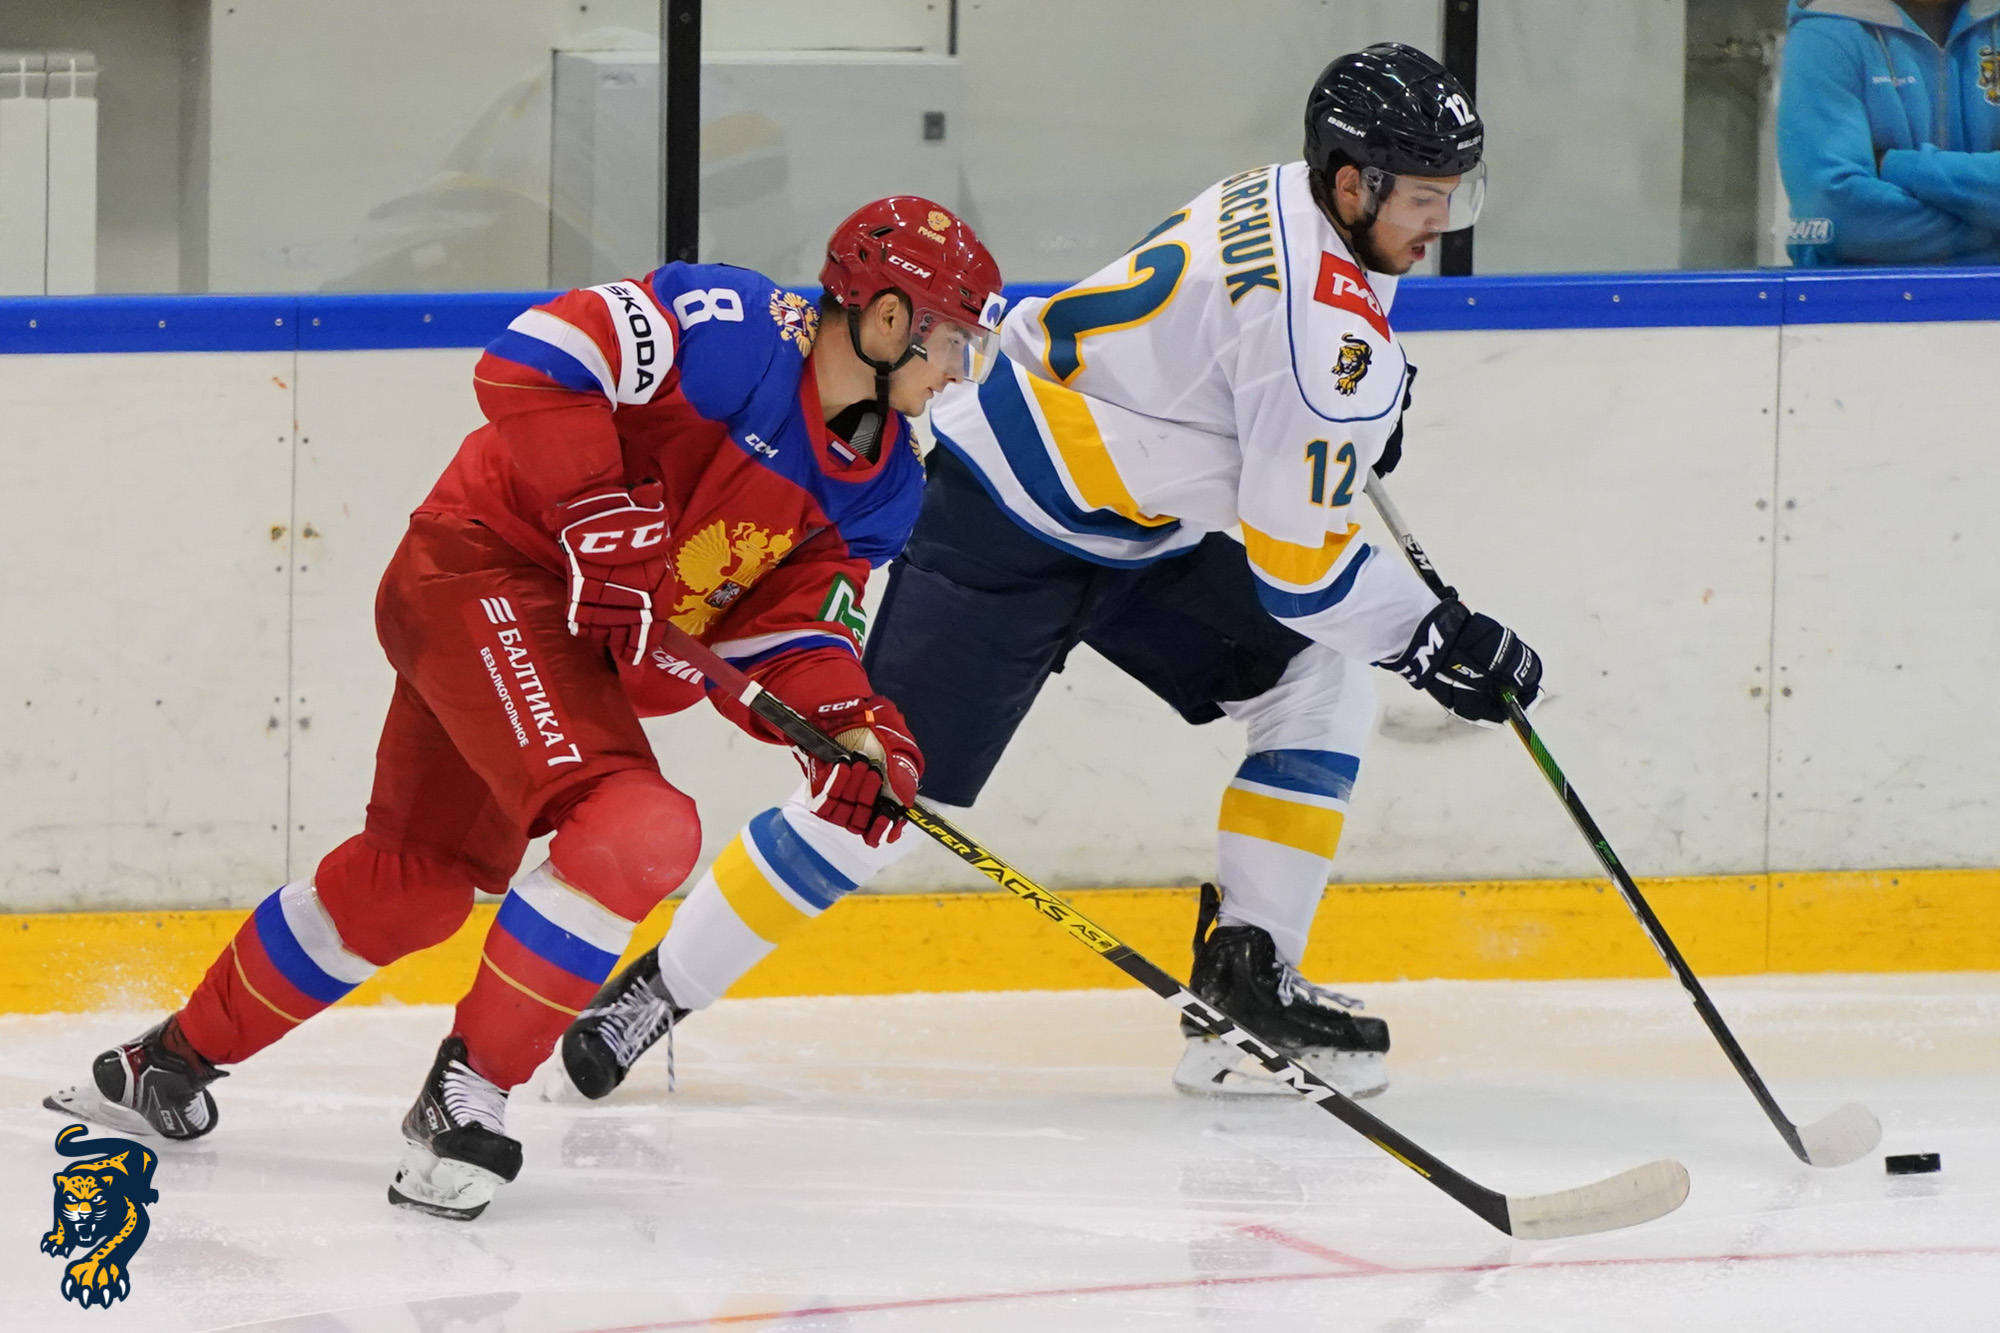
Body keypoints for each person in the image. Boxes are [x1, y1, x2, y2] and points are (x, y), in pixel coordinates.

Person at [560, 44, 1544, 1106]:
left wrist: (1343, 422)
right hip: (997, 524)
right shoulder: (1321, 327)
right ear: (1352, 183)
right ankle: (653, 991)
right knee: (871, 799)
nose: (1442, 222)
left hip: (1139, 528)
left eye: (1457, 193)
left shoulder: (1279, 195)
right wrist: (1433, 636)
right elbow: (1300, 569)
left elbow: (1231, 373)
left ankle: (1244, 992)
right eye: (1426, 197)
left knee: (1314, 683)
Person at [45, 198, 1005, 1219]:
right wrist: (594, 510)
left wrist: (849, 730)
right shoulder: (729, 328)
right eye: (954, 341)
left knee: (412, 885)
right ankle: (463, 1100)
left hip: (558, 647)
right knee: (638, 828)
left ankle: (160, 1062)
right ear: (889, 318)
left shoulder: (884, 489)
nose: (959, 373)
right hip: (484, 568)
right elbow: (539, 353)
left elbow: (784, 632)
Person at [1779, 0, 2000, 266]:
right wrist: (1990, 230)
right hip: (1863, 290)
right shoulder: (1825, 32)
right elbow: (1838, 214)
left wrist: (1895, 165)